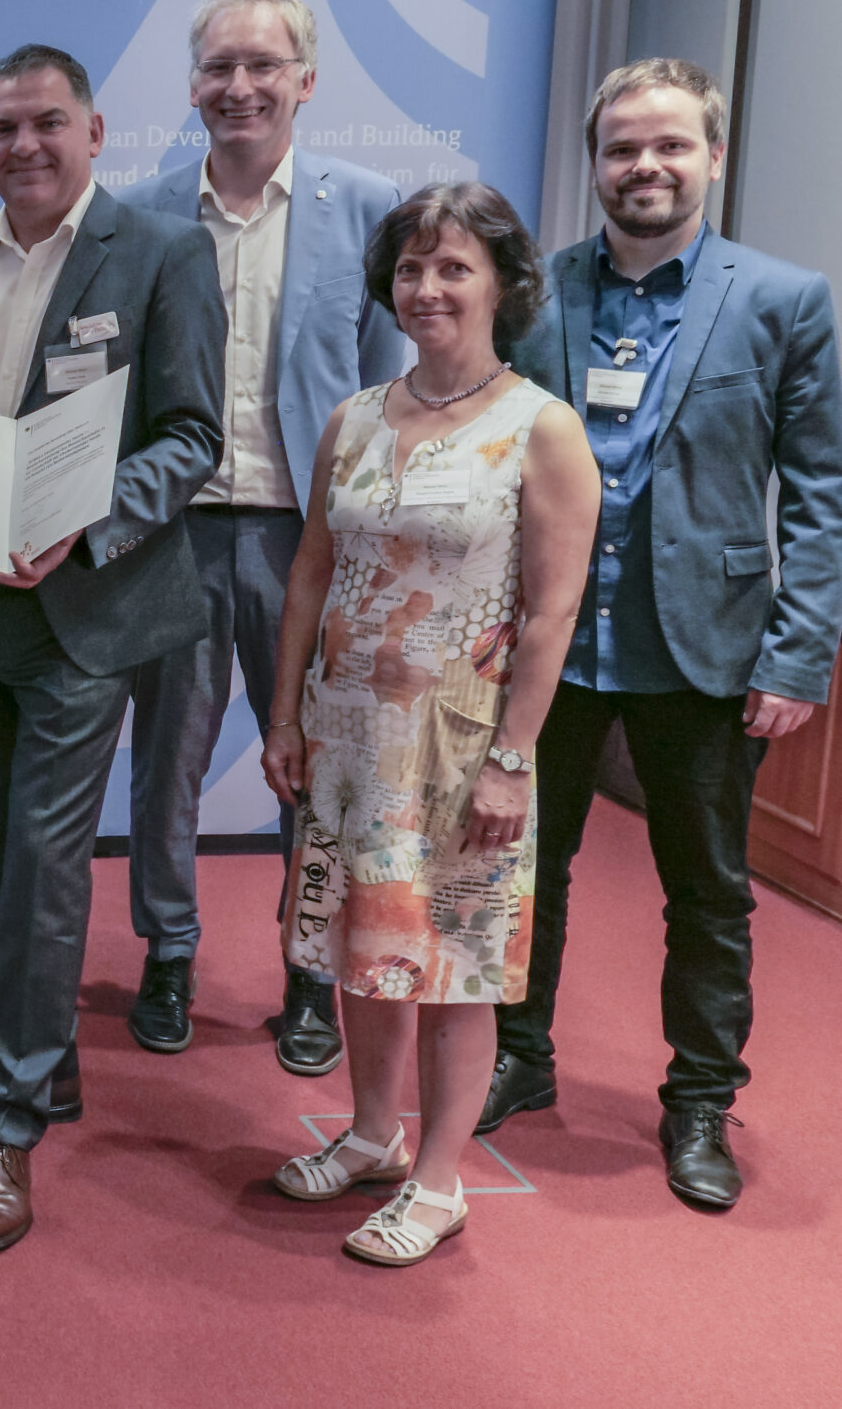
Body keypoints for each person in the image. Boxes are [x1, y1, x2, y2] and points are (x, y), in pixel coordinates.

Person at [482, 59, 842, 1210]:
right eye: (621, 148)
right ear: (594, 162)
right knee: (523, 868)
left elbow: (822, 495)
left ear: (712, 156)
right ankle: (516, 1053)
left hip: (708, 649)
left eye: (668, 146)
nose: (643, 166)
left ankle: (697, 1098)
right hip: (550, 647)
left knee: (709, 891)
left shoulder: (785, 300)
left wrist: (797, 654)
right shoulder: (535, 293)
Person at [0, 45, 225, 1254]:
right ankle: (33, 1060)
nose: (22, 146)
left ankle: (14, 1112)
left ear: (90, 128)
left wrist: (87, 517)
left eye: (44, 123)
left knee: (43, 856)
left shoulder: (158, 253)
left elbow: (191, 436)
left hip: (83, 608)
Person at [263, 182, 598, 1265]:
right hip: (351, 736)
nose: (427, 287)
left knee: (451, 960)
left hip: (458, 743)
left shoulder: (539, 427)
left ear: (501, 281)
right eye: (410, 268)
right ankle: (368, 1133)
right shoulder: (353, 416)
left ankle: (440, 1179)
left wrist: (512, 762)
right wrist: (284, 712)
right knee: (366, 951)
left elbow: (550, 612)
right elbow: (312, 569)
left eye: (453, 266)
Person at [116, 0, 405, 1071]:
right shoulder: (142, 211)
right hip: (176, 533)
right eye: (218, 67)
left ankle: (309, 975)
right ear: (191, 84)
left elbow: (390, 383)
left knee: (314, 769)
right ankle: (169, 951)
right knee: (165, 768)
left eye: (262, 65)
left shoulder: (369, 205)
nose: (239, 86)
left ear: (304, 80)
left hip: (307, 541)